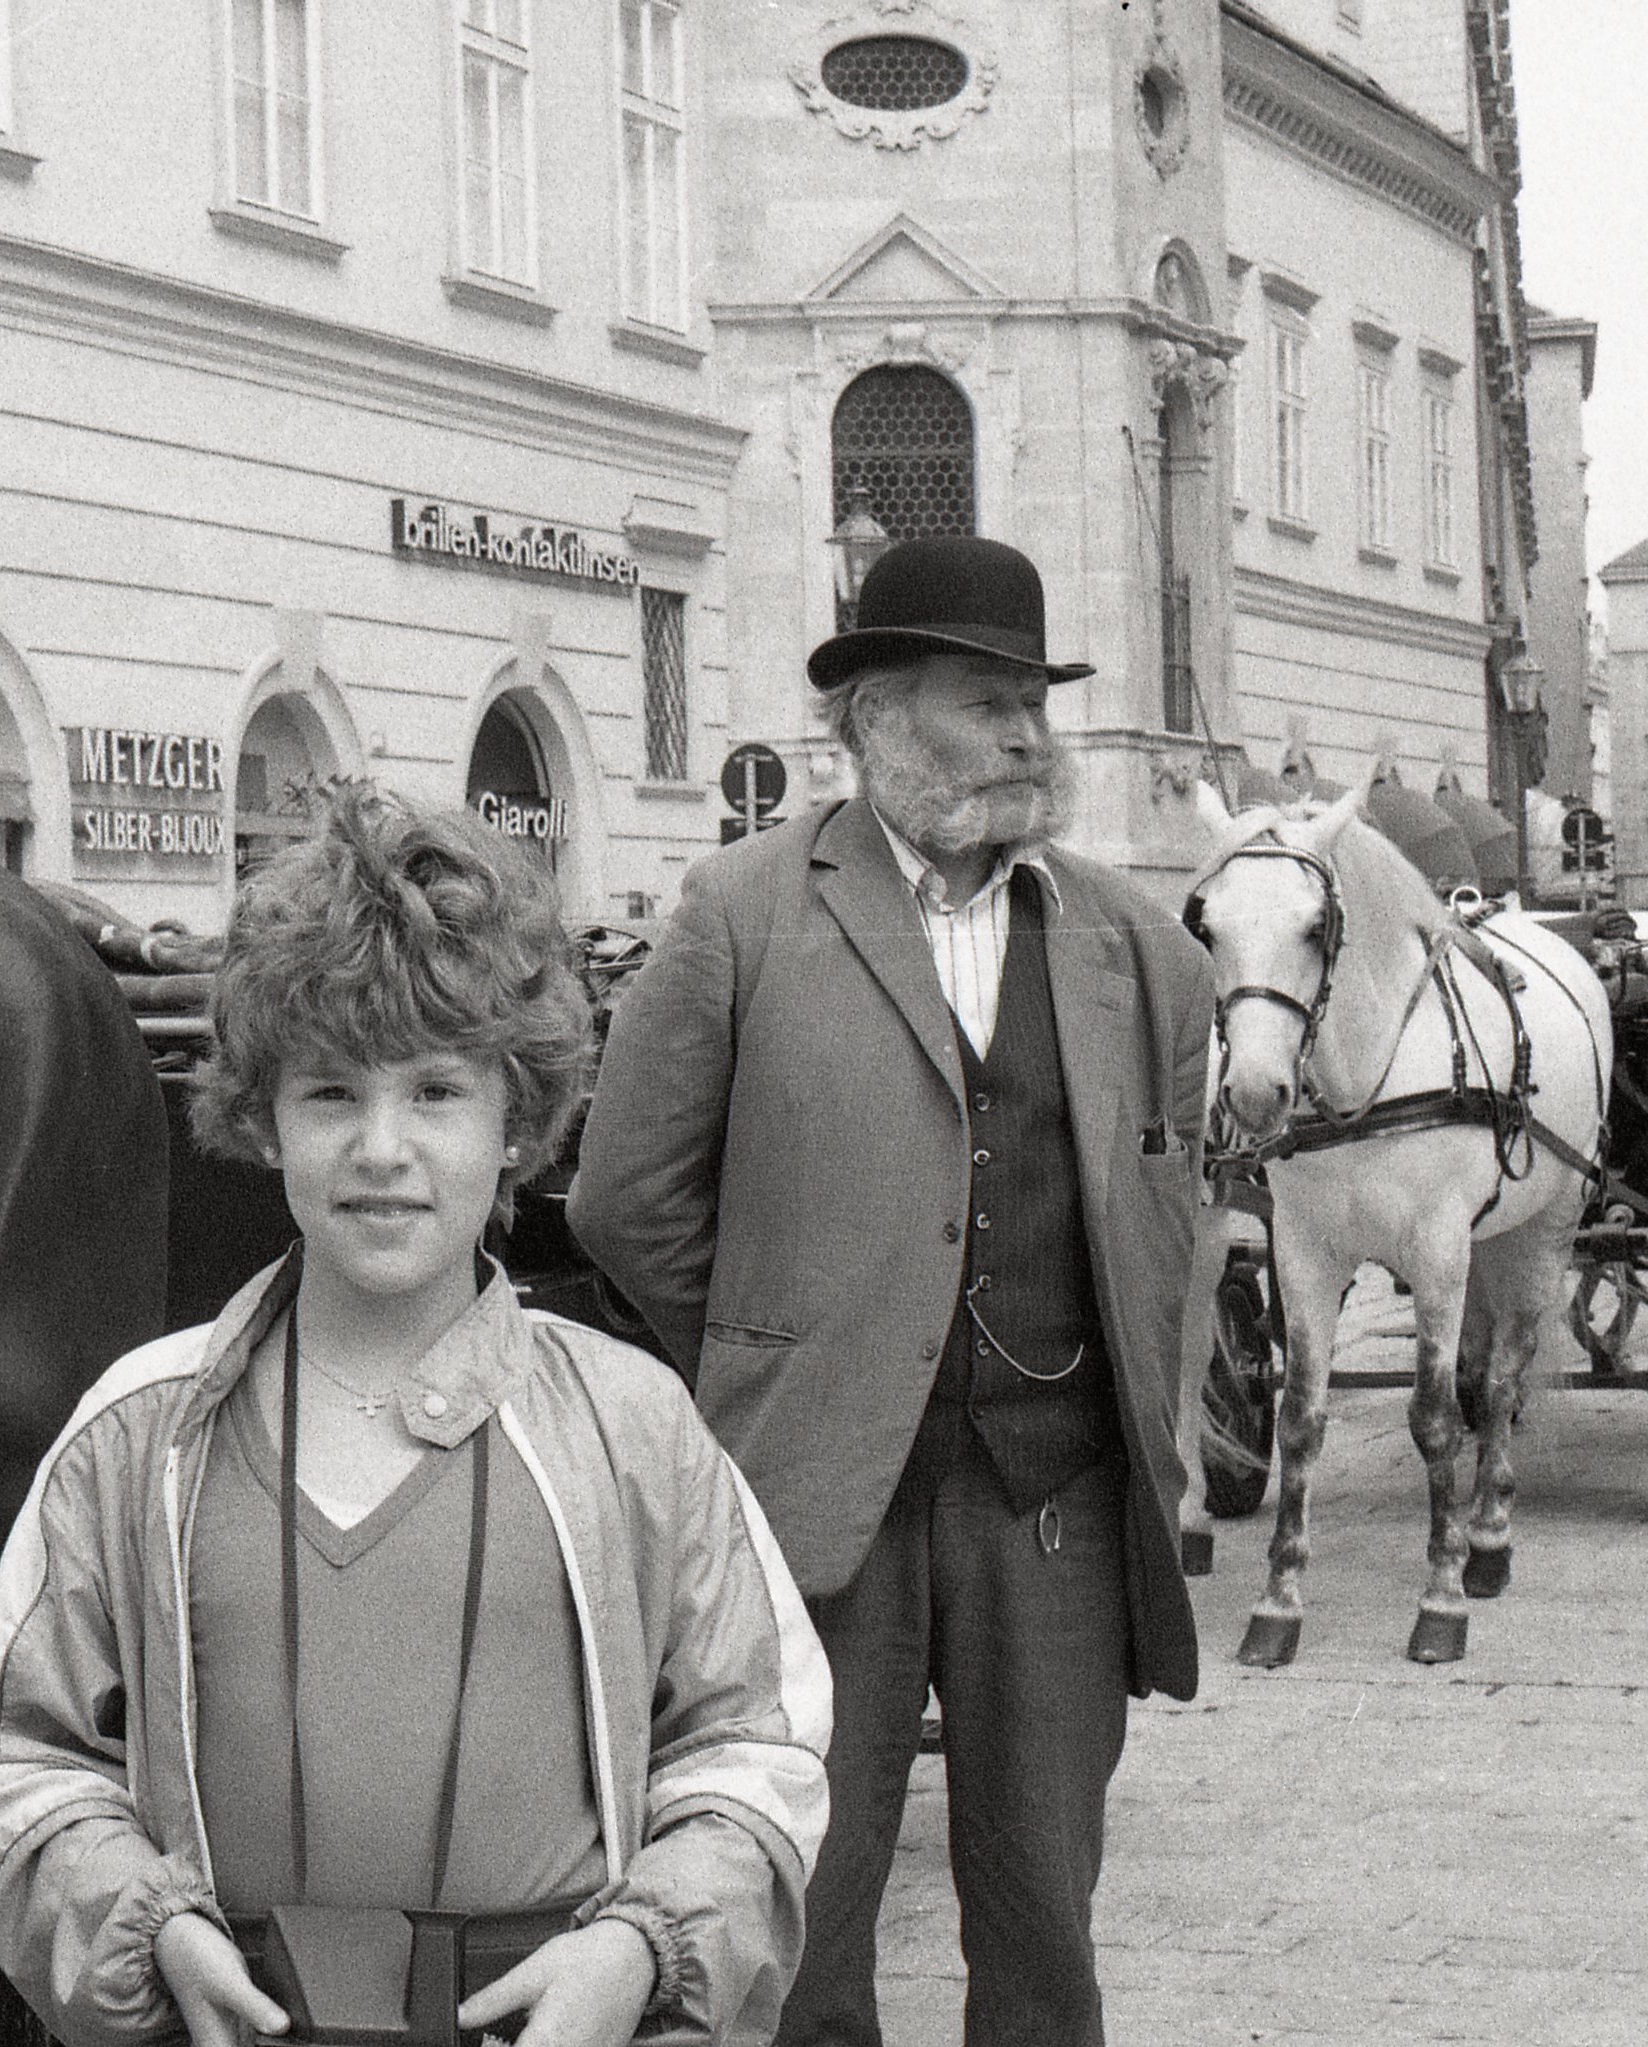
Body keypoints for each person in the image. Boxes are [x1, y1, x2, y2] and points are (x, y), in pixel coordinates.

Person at [0, 786, 829, 2047]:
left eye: (434, 1092)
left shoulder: (632, 1427)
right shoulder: (137, 1434)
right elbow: (15, 1753)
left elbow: (754, 1747)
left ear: (517, 1119)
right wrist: (144, 1923)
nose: (379, 1147)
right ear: (260, 1118)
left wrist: (640, 1945)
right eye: (328, 1094)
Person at [567, 536, 1207, 2047]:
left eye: (1032, 704)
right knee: (802, 1905)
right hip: (813, 1508)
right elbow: (623, 1195)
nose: (1025, 735)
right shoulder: (740, 910)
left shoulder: (1136, 949)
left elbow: (1163, 1219)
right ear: (870, 718)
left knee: (1044, 1917)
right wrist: (775, 1350)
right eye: (985, 701)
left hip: (1050, 1501)